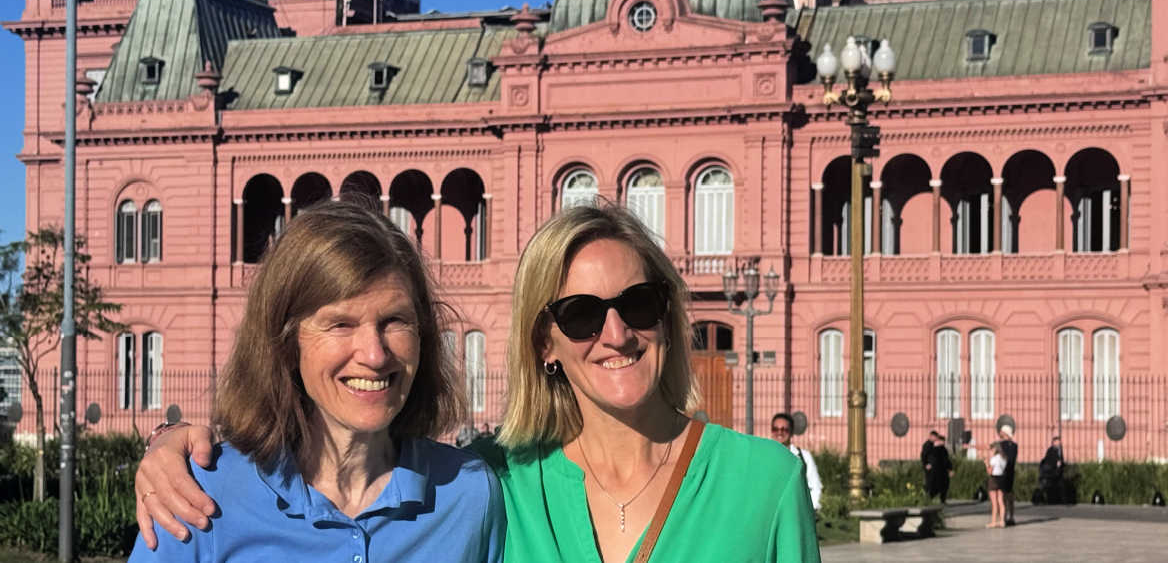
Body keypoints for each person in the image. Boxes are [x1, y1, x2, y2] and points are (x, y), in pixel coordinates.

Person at [135, 202, 820, 562]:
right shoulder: (502, 480)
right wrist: (172, 446)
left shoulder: (467, 492)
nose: (615, 335)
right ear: (544, 341)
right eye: (580, 315)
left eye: (637, 306)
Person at [128, 200, 505, 561]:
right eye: (341, 324)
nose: (374, 355)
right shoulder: (200, 496)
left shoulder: (468, 497)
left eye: (395, 321)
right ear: (287, 341)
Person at [771, 412, 822, 513]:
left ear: (791, 432)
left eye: (784, 429)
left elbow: (815, 486)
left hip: (797, 511)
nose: (779, 433)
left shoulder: (804, 456)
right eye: (775, 429)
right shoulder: (766, 455)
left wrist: (809, 510)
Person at [921, 432, 954, 503]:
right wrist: (926, 465)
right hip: (934, 471)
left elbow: (946, 460)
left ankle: (942, 499)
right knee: (932, 485)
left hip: (943, 471)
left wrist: (950, 469)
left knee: (944, 485)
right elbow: (924, 457)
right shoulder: (929, 446)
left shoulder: (943, 449)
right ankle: (928, 498)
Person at [998, 424, 1018, 525]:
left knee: (1006, 495)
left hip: (1005, 472)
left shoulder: (1005, 445)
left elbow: (1008, 458)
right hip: (1006, 472)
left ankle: (1007, 516)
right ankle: (1007, 516)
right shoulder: (1011, 445)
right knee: (1006, 495)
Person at [1038, 435, 1066, 504]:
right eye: (1057, 442)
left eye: (1059, 442)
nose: (1059, 444)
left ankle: (1058, 499)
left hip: (1056, 471)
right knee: (1051, 485)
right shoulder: (1051, 450)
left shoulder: (1059, 450)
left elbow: (1060, 460)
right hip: (1050, 471)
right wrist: (1057, 463)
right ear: (1053, 442)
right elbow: (1050, 460)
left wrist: (1061, 463)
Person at [986, 441, 1007, 528]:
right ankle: (1002, 521)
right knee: (1001, 501)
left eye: (991, 449)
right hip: (1002, 478)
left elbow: (989, 472)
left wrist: (986, 464)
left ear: (995, 449)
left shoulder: (994, 459)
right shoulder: (1004, 458)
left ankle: (993, 521)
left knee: (994, 503)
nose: (990, 451)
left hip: (994, 479)